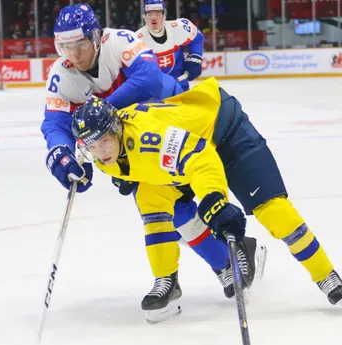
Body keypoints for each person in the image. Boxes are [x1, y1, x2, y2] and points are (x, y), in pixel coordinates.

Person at [41, 3, 264, 322]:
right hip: (127, 141)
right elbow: (54, 123)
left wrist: (97, 116)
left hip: (168, 119)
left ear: (96, 37)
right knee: (168, 209)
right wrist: (60, 153)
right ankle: (216, 262)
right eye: (65, 46)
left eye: (79, 45)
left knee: (175, 206)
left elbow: (147, 81)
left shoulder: (119, 41)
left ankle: (220, 261)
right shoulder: (61, 74)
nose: (73, 54)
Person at [69, 77, 342, 320]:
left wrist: (215, 202)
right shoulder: (104, 152)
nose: (99, 151)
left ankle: (325, 274)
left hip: (224, 130)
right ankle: (168, 278)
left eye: (103, 141)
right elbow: (119, 160)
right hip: (187, 148)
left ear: (116, 130)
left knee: (273, 212)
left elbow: (201, 158)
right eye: (91, 145)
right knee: (154, 204)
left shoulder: (149, 140)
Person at [136, 0, 204, 91]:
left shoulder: (178, 28)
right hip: (151, 91)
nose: (153, 18)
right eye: (149, 14)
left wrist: (195, 58)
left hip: (179, 86)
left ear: (164, 15)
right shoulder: (137, 40)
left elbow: (197, 37)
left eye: (157, 14)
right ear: (144, 17)